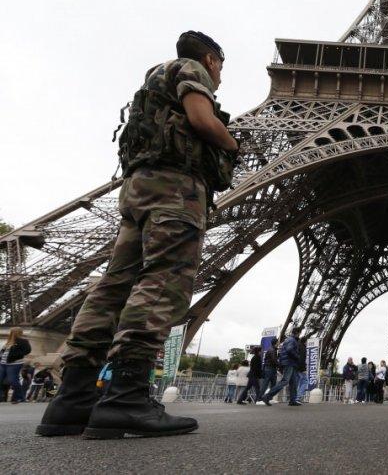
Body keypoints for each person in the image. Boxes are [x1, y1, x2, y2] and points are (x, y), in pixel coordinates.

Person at [38, 31, 238, 439]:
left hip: (138, 187)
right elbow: (201, 119)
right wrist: (231, 144)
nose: (219, 75)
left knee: (114, 284)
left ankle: (72, 399)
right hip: (175, 188)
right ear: (211, 59)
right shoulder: (192, 69)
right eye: (221, 66)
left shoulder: (153, 79)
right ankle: (125, 398)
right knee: (165, 279)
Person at [263, 328, 303, 407]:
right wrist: (297, 357)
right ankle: (267, 396)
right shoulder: (292, 340)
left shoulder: (289, 340)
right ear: (297, 333)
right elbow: (289, 350)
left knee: (293, 382)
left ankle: (292, 400)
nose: (299, 335)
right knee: (285, 381)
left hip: (290, 363)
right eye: (299, 333)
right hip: (290, 363)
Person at [0, 328, 31, 404]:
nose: (12, 333)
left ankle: (19, 397)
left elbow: (27, 350)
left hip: (14, 364)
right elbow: (3, 352)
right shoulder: (8, 341)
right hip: (2, 363)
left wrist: (16, 356)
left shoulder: (22, 341)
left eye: (14, 332)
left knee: (13, 380)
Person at [260, 338, 279, 402]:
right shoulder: (272, 350)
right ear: (276, 343)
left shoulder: (272, 349)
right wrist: (279, 365)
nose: (278, 344)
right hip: (270, 368)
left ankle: (269, 398)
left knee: (272, 384)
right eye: (278, 342)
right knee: (266, 384)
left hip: (270, 368)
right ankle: (260, 398)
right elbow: (273, 360)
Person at [294, 337, 308, 403]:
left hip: (296, 367)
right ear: (305, 341)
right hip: (301, 368)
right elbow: (302, 359)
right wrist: (303, 369)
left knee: (297, 382)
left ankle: (294, 397)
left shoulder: (297, 346)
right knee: (305, 382)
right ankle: (298, 397)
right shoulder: (303, 348)